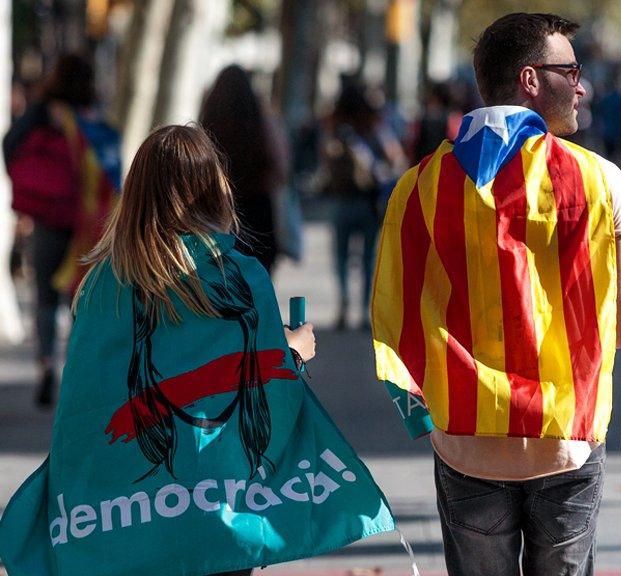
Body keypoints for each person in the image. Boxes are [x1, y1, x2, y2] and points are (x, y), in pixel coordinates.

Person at [0, 126, 396, 576]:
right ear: (214, 192)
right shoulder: (240, 274)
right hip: (220, 507)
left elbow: (85, 405)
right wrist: (295, 349)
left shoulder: (99, 287)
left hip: (125, 516)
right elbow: (262, 388)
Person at [372, 13, 621, 576]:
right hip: (566, 439)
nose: (583, 85)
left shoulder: (418, 187)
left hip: (465, 438)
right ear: (530, 80)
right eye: (570, 70)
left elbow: (397, 318)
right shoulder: (600, 181)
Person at [3, 54, 120, 407]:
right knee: (80, 299)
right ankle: (76, 368)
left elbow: (10, 146)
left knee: (44, 297)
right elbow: (113, 172)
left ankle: (45, 366)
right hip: (88, 226)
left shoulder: (42, 114)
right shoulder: (93, 119)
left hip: (49, 219)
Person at [321, 83, 406, 330]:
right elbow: (396, 157)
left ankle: (344, 303)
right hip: (369, 202)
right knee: (369, 258)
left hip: (341, 201)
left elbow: (324, 160)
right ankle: (365, 311)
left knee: (341, 257)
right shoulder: (372, 126)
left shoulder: (336, 128)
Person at [199, 64, 288, 273]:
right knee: (260, 281)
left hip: (217, 212)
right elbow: (282, 168)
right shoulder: (262, 122)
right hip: (259, 211)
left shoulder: (207, 123)